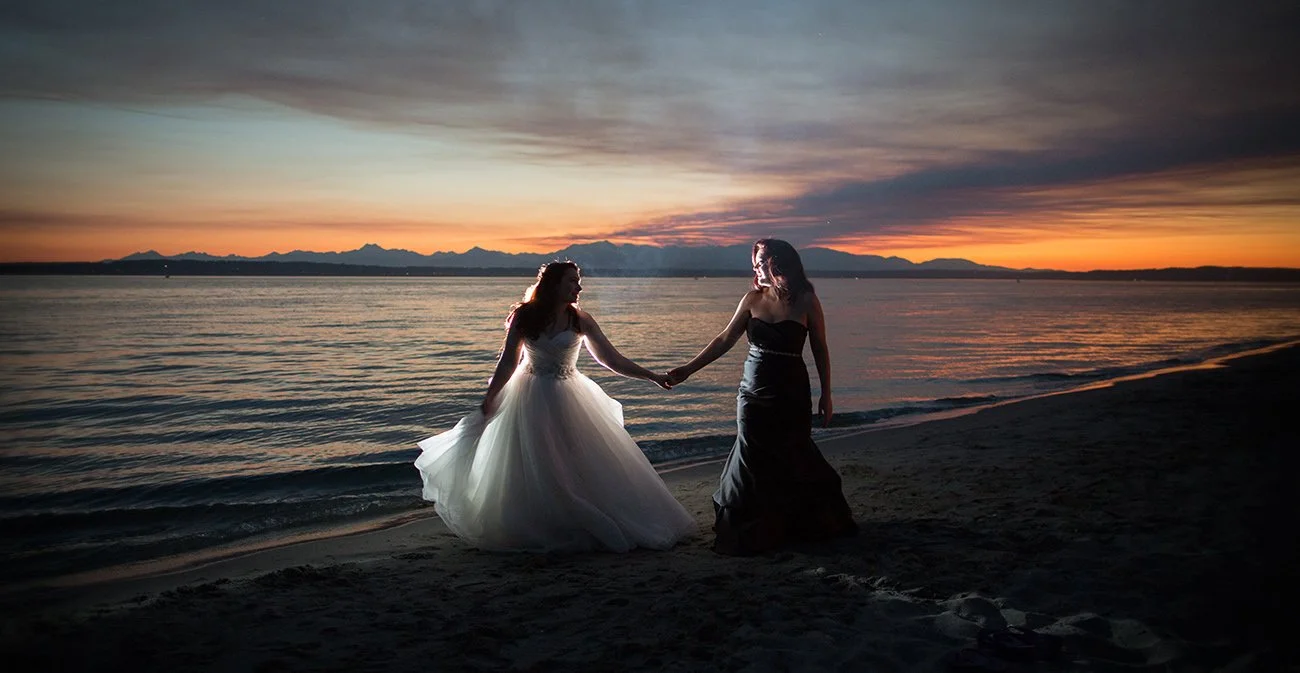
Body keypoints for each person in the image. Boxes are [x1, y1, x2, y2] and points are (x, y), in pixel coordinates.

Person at [414, 261, 696, 552]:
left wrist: (652, 376)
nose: (579, 287)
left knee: (574, 462)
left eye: (579, 281)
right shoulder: (524, 316)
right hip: (528, 396)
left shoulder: (580, 319)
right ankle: (539, 523)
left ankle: (580, 519)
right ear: (554, 284)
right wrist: (491, 396)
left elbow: (611, 359)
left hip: (568, 395)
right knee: (534, 463)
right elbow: (509, 361)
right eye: (572, 281)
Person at [667, 239, 856, 555]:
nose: (755, 268)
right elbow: (724, 339)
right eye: (754, 264)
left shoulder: (807, 301)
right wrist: (688, 368)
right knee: (752, 454)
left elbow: (820, 349)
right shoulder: (752, 300)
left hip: (792, 391)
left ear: (779, 263)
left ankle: (795, 525)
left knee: (793, 452)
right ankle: (752, 528)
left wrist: (827, 393)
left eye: (760, 262)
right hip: (753, 392)